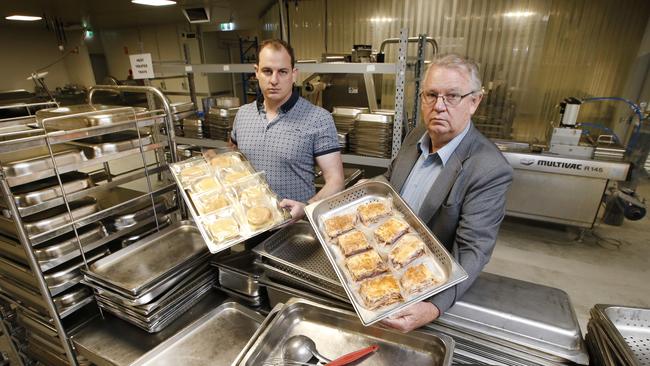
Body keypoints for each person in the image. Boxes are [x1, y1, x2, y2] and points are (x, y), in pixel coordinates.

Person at [380, 54, 513, 332]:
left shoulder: (488, 168)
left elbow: (472, 250)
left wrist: (433, 307)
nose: (439, 106)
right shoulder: (417, 134)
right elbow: (391, 180)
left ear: (475, 101)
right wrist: (364, 190)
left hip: (423, 287)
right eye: (431, 95)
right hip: (382, 266)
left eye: (452, 96)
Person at [222, 39, 345, 219]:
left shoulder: (318, 118)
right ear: (256, 72)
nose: (274, 80)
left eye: (282, 72)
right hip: (251, 220)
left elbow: (336, 181)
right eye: (267, 71)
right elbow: (233, 157)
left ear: (294, 74)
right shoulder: (242, 115)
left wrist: (306, 208)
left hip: (296, 226)